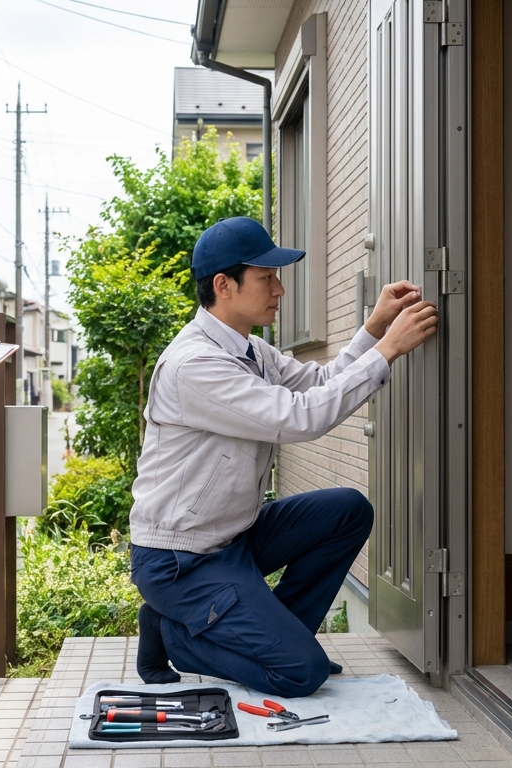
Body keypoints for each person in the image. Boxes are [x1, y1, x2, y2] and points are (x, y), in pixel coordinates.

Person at [128, 216, 439, 699]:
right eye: (267, 278)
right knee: (300, 675)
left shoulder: (252, 350)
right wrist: (389, 349)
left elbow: (320, 383)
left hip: (232, 538)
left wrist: (374, 328)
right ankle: (174, 634)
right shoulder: (195, 365)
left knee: (348, 511)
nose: (280, 290)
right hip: (181, 558)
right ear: (224, 286)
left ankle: (283, 641)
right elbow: (300, 418)